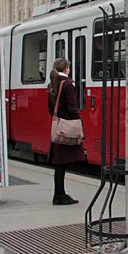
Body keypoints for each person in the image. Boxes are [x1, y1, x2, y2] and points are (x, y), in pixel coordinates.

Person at [47, 57, 82, 205]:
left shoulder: (52, 84)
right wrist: (78, 120)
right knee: (62, 164)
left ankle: (60, 193)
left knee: (59, 164)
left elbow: (51, 110)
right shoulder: (67, 85)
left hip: (59, 127)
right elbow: (73, 108)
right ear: (66, 68)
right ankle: (59, 196)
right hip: (67, 128)